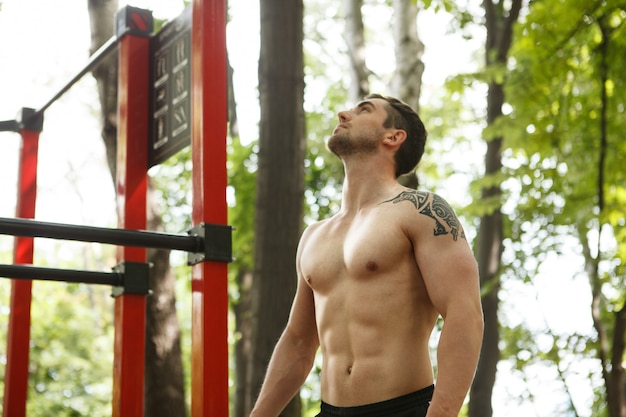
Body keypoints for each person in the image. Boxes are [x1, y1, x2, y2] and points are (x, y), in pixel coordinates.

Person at [250, 94, 484, 417]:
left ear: (393, 136)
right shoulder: (314, 236)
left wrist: (442, 412)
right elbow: (299, 342)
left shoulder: (422, 211)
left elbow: (464, 313)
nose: (343, 114)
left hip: (404, 409)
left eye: (363, 110)